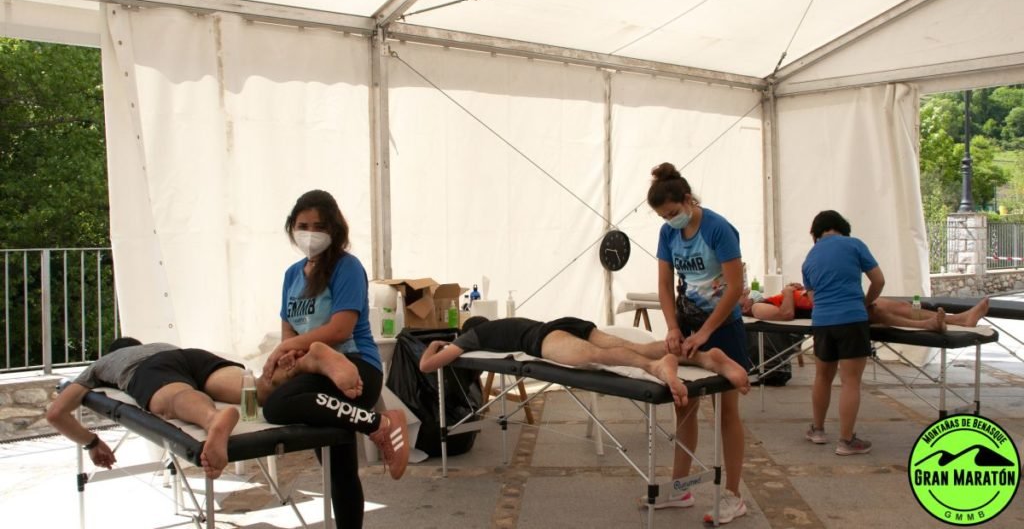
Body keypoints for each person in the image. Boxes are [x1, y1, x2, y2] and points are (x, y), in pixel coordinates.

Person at [46, 337, 403, 480]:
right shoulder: (160, 344)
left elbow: (56, 414)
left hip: (149, 373)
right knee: (257, 392)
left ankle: (213, 418)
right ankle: (308, 362)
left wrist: (92, 442)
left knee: (175, 400)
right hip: (193, 356)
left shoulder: (106, 364)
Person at [260, 189, 406, 529]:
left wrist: (288, 349)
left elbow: (341, 329)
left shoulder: (347, 267)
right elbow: (289, 328)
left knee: (277, 405)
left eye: (319, 226)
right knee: (339, 468)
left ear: (335, 229)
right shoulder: (292, 275)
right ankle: (377, 422)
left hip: (355, 367)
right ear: (292, 227)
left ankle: (374, 417)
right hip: (316, 377)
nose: (310, 233)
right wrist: (289, 352)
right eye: (303, 226)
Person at [647, 162, 750, 524]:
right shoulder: (668, 233)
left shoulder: (718, 228)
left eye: (672, 212)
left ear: (688, 199)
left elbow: (735, 287)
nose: (669, 220)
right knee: (684, 407)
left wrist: (706, 332)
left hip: (722, 327)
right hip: (688, 323)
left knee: (727, 412)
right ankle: (680, 489)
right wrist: (672, 327)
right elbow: (664, 285)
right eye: (663, 216)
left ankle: (734, 496)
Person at [418, 316, 751, 407]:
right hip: (566, 322)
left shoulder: (471, 338)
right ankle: (705, 358)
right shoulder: (498, 324)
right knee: (633, 345)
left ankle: (657, 368)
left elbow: (427, 366)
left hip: (544, 340)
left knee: (597, 357)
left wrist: (434, 346)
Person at [801, 210, 880, 456]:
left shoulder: (810, 256)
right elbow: (878, 280)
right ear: (842, 227)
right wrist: (865, 303)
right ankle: (846, 441)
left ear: (816, 233)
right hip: (851, 318)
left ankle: (817, 430)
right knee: (850, 381)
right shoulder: (854, 245)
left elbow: (812, 297)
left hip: (822, 322)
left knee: (822, 377)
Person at [742, 284, 990, 330]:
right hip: (830, 309)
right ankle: (932, 323)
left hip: (831, 299)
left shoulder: (763, 298)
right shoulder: (757, 309)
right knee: (880, 311)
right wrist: (788, 292)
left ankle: (957, 319)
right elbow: (786, 314)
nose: (742, 292)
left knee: (899, 306)